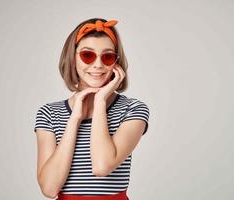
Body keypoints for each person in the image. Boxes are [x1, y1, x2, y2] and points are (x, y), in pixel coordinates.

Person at [33, 18, 150, 200]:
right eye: (88, 55)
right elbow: (49, 188)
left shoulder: (132, 109)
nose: (98, 65)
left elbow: (102, 166)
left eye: (108, 56)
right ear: (72, 59)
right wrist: (74, 119)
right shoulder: (49, 113)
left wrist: (100, 101)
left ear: (116, 63)